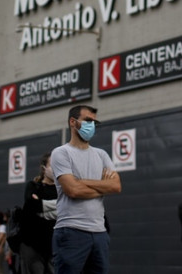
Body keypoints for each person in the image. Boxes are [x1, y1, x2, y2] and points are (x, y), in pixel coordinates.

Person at [51, 105, 121, 274]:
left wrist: (81, 181)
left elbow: (116, 186)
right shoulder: (61, 153)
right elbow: (72, 190)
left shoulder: (101, 154)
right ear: (73, 122)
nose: (92, 125)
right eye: (88, 121)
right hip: (71, 232)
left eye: (95, 122)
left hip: (100, 233)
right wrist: (102, 187)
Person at [20, 152, 58, 274]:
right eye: (53, 165)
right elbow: (30, 205)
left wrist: (41, 207)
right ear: (44, 168)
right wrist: (58, 205)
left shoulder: (62, 189)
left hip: (54, 246)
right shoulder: (33, 186)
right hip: (32, 245)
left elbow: (68, 209)